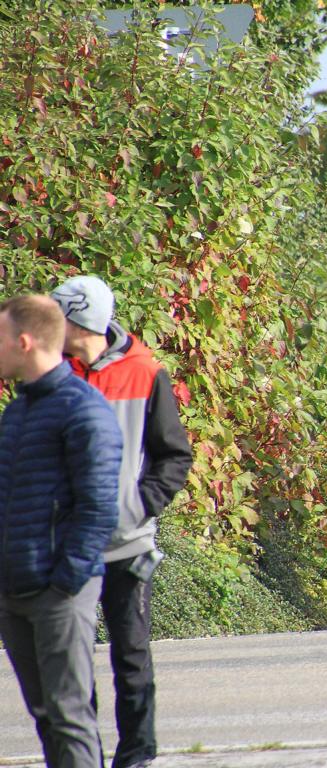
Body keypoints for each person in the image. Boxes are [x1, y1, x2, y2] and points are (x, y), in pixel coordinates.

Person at [51, 275, 193, 768]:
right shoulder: (53, 374)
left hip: (127, 542)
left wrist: (137, 506)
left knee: (131, 655)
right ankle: (81, 755)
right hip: (68, 543)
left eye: (57, 317)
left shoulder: (145, 371)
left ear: (79, 321)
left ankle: (137, 755)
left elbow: (174, 455)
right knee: (71, 660)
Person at [0, 295, 123, 768]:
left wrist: (65, 582)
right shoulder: (18, 411)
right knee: (46, 718)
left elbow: (99, 506)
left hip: (59, 592)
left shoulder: (83, 409)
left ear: (24, 342)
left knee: (70, 717)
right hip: (16, 588)